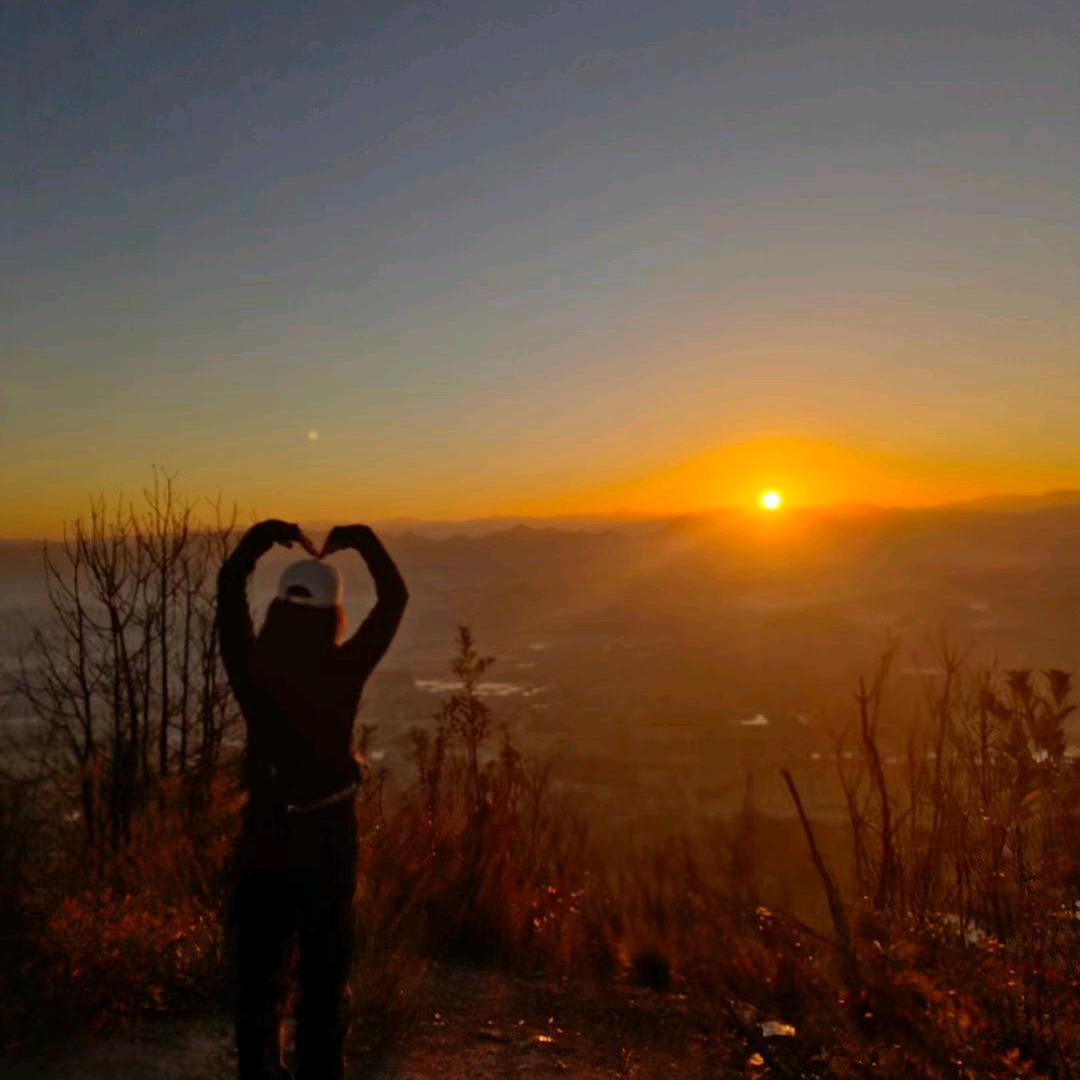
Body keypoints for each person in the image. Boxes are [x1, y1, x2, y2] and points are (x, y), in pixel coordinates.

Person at [217, 518, 408, 1080]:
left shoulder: (252, 670)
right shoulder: (342, 669)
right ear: (331, 613)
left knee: (259, 980)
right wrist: (362, 539)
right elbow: (394, 599)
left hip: (265, 834)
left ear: (278, 607)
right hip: (329, 839)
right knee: (324, 983)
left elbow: (229, 592)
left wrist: (260, 538)